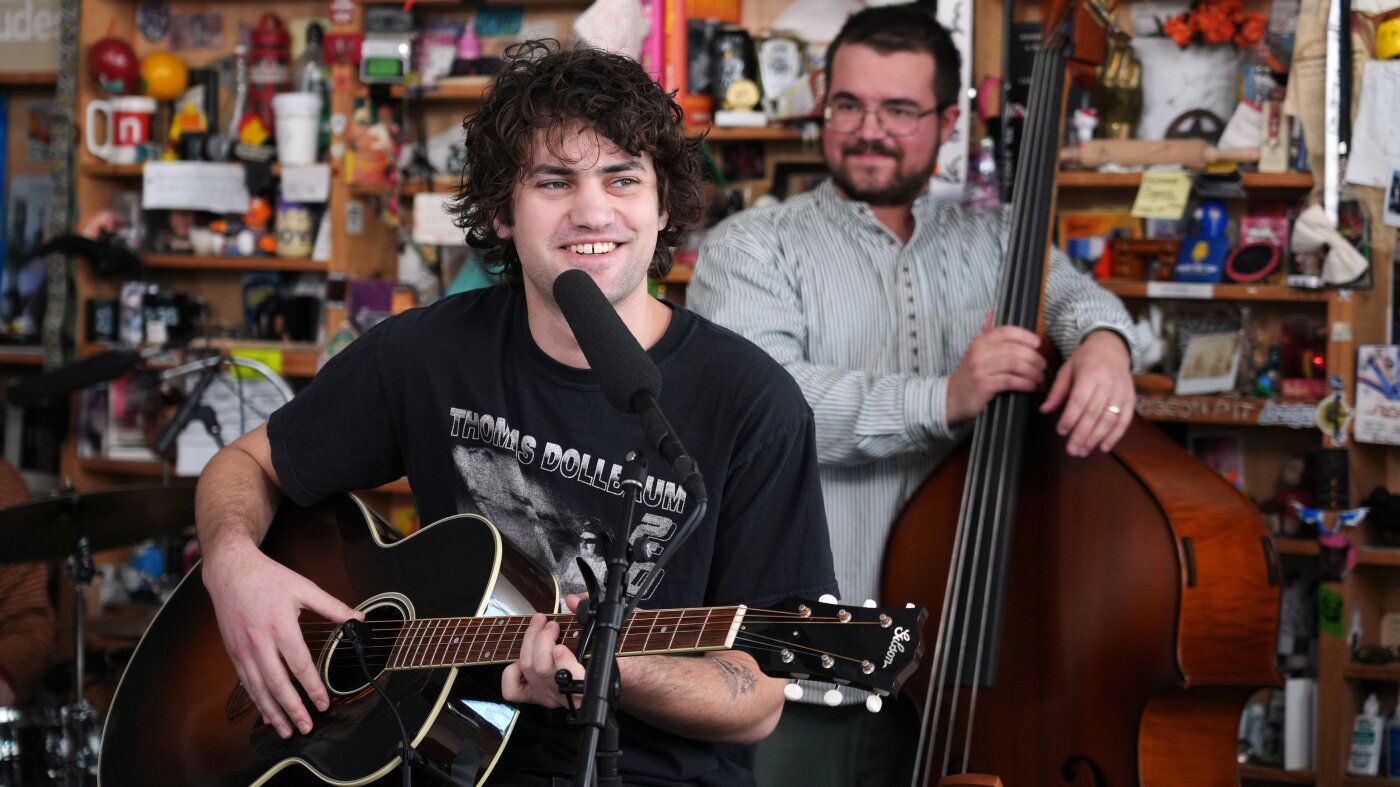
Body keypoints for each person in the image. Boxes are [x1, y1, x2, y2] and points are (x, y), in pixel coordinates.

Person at [195, 40, 836, 786]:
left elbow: (756, 695)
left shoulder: (752, 401)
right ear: (502, 210)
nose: (592, 209)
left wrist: (607, 669)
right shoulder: (429, 351)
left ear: (663, 206)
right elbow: (243, 464)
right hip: (430, 757)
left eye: (622, 178)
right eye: (554, 181)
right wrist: (233, 564)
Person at [688, 5, 1142, 785]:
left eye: (900, 110)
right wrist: (943, 398)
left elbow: (1076, 297)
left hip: (968, 670)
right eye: (849, 105)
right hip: (809, 671)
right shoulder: (754, 245)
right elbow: (765, 410)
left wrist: (1106, 343)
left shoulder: (997, 236)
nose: (871, 129)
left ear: (945, 119)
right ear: (823, 105)